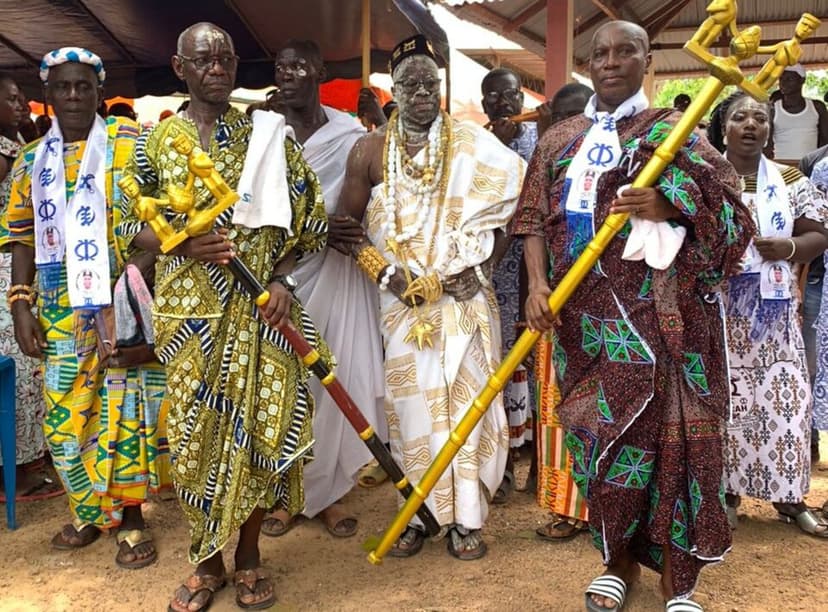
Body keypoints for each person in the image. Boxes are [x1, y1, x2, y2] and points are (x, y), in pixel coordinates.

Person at [513, 21, 753, 610]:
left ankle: (679, 582)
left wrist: (670, 203)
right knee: (605, 446)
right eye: (600, 54)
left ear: (648, 61)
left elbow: (732, 220)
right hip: (586, 327)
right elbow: (532, 219)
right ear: (587, 65)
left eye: (625, 52)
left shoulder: (679, 132)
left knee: (675, 446)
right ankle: (618, 563)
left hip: (664, 324)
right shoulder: (557, 138)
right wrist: (538, 284)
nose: (611, 62)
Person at [117, 23, 328, 611]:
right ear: (180, 68)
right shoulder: (154, 146)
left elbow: (309, 219)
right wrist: (181, 244)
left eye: (226, 58)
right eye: (203, 59)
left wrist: (283, 278)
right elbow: (128, 234)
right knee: (191, 440)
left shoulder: (268, 134)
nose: (217, 67)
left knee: (261, 432)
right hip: (190, 320)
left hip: (261, 309)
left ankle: (251, 556)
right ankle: (206, 562)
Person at [336, 34, 524, 560]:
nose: (422, 93)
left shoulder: (476, 146)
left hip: (463, 301)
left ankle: (466, 518)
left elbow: (512, 217)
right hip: (403, 307)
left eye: (430, 84)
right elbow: (344, 228)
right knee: (411, 414)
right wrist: (386, 275)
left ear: (441, 88)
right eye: (410, 84)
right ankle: (418, 511)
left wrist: (482, 268)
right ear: (392, 89)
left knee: (469, 406)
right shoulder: (369, 150)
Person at [0, 48, 171, 569]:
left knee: (124, 411)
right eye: (62, 88)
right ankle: (89, 511)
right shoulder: (31, 161)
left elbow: (164, 219)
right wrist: (21, 304)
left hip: (119, 302)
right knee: (65, 418)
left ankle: (131, 518)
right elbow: (22, 236)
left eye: (83, 87)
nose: (73, 96)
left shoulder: (131, 145)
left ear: (99, 93)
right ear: (46, 95)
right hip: (58, 309)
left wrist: (137, 274)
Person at [261, 39, 385, 540]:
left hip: (338, 270)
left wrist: (354, 231)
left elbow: (372, 200)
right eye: (280, 65)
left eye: (298, 65)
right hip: (281, 274)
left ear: (319, 69)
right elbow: (258, 209)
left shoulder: (349, 133)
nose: (288, 73)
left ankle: (331, 494)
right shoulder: (262, 133)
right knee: (287, 383)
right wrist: (316, 229)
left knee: (336, 376)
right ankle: (285, 494)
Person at [708, 92, 828, 538]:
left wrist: (790, 249)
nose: (751, 124)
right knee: (726, 402)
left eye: (760, 117)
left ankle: (789, 497)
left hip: (775, 316)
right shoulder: (706, 176)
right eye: (740, 117)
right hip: (719, 311)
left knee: (787, 402)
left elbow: (820, 233)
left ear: (770, 130)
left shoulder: (791, 178)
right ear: (725, 128)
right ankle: (726, 494)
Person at [531, 81, 594, 543]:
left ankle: (605, 504)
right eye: (565, 118)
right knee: (556, 407)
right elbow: (528, 224)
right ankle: (567, 507)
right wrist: (536, 289)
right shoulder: (547, 157)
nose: (575, 127)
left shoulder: (618, 155)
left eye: (583, 117)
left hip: (611, 308)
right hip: (556, 304)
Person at [480, 66, 543, 503]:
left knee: (540, 372)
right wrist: (495, 147)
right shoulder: (476, 144)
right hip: (491, 276)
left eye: (510, 95)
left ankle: (542, 463)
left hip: (536, 274)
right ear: (484, 104)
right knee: (497, 369)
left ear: (522, 100)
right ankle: (499, 463)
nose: (504, 103)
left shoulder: (541, 141)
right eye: (494, 97)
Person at [0, 72, 60, 503]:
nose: (22, 105)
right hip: (8, 265)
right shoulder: (4, 153)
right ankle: (18, 473)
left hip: (18, 263)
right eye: (13, 100)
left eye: (22, 98)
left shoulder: (17, 144)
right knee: (21, 371)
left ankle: (27, 461)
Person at [800, 144, 828, 461]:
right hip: (820, 278)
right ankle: (808, 440)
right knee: (809, 362)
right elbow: (808, 223)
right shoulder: (814, 160)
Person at [768, 64, 828, 162]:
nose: (783, 83)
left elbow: (825, 141)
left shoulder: (817, 107)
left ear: (802, 80)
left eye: (789, 79)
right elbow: (767, 144)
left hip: (809, 168)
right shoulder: (773, 109)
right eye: (781, 79)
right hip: (782, 168)